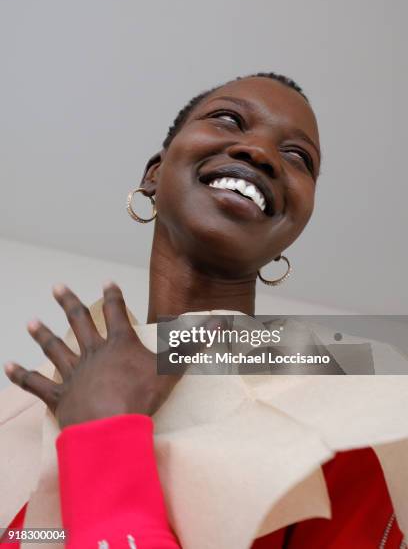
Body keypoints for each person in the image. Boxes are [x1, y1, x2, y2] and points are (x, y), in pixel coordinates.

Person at [1, 73, 407, 548]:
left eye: (298, 158)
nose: (259, 153)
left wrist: (102, 433)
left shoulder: (355, 409)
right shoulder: (26, 413)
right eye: (228, 119)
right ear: (153, 174)